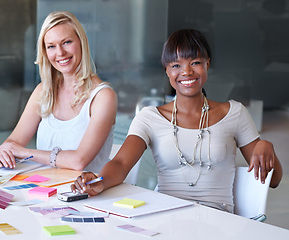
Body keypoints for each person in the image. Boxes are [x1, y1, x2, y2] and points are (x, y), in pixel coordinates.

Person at [71, 29, 282, 212]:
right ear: (166, 70)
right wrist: (99, 181)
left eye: (196, 62)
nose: (186, 72)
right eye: (176, 65)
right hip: (164, 214)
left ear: (208, 64)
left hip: (217, 221)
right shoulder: (149, 117)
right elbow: (120, 163)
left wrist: (266, 146)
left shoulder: (235, 113)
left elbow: (274, 180)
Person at [0, 11, 117, 173]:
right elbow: (12, 142)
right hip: (44, 190)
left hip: (87, 195)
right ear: (45, 53)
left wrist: (25, 153)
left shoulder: (103, 97)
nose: (60, 53)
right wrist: (5, 152)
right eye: (51, 46)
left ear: (82, 42)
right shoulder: (43, 91)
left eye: (66, 42)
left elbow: (78, 161)